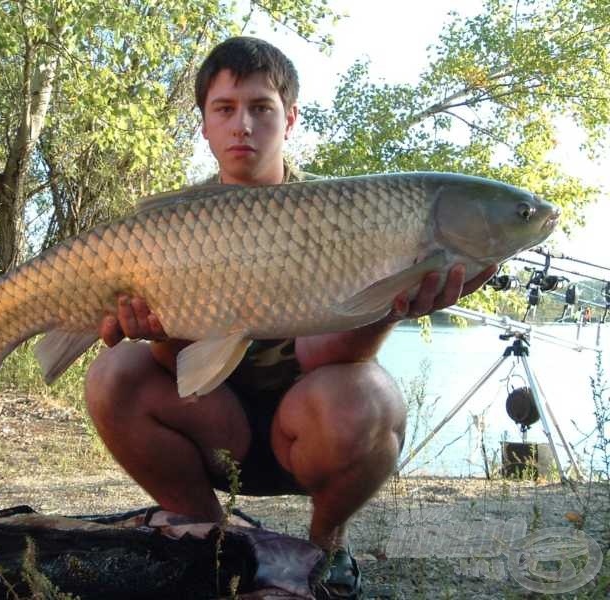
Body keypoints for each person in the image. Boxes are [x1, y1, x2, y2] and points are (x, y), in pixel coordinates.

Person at [85, 36, 496, 598]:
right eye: (225, 110)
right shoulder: (170, 224)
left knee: (369, 398)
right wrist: (159, 333)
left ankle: (326, 548)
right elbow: (186, 370)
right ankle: (209, 535)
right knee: (114, 373)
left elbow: (324, 356)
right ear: (204, 125)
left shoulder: (341, 214)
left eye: (261, 108)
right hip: (215, 425)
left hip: (306, 431)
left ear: (290, 118)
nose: (243, 126)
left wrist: (392, 305)